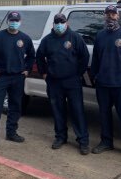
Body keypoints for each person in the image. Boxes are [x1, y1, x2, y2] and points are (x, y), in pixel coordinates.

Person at [0, 11, 36, 151]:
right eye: (11, 20)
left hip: (18, 78)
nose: (14, 22)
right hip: (1, 78)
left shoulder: (25, 38)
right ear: (7, 21)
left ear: (20, 22)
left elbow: (31, 55)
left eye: (16, 20)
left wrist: (27, 69)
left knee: (15, 107)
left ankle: (11, 133)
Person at [36, 13, 90, 155]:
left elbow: (85, 57)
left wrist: (78, 73)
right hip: (54, 82)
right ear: (53, 24)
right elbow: (40, 56)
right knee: (58, 111)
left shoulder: (75, 38)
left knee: (77, 111)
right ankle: (60, 137)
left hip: (72, 81)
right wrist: (44, 73)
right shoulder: (47, 40)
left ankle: (83, 141)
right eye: (57, 22)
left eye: (62, 21)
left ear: (67, 23)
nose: (59, 24)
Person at [90, 4, 121, 161]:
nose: (110, 16)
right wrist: (95, 76)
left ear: (118, 16)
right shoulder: (100, 35)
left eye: (113, 14)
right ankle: (106, 142)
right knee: (104, 115)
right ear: (104, 16)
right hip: (103, 84)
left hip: (120, 85)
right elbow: (96, 58)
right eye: (107, 14)